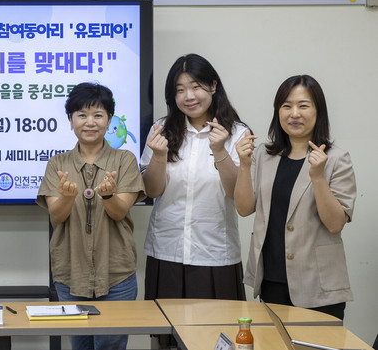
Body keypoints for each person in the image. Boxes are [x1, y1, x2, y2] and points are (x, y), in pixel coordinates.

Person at [235, 75, 357, 319]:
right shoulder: (264, 155)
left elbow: (335, 224)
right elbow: (244, 208)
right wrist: (244, 165)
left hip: (318, 286)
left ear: (318, 111)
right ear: (277, 111)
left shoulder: (336, 159)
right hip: (271, 279)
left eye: (303, 105)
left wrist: (318, 177)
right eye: (286, 106)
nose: (294, 113)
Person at [37, 82, 145, 350]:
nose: (90, 122)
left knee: (111, 345)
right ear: (70, 119)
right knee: (79, 344)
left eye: (98, 115)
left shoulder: (125, 160)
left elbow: (119, 212)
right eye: (82, 115)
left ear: (109, 120)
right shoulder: (57, 163)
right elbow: (57, 216)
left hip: (117, 274)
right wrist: (67, 197)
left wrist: (108, 196)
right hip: (70, 275)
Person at [140, 53, 249, 301]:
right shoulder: (161, 130)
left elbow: (238, 194)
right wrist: (159, 156)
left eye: (196, 86)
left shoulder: (237, 133)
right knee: (164, 326)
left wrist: (220, 151)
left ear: (213, 86)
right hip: (166, 251)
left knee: (216, 326)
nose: (188, 96)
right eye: (180, 90)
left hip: (215, 254)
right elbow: (152, 191)